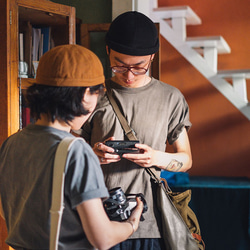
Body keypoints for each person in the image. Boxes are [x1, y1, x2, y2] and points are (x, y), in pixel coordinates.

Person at [0, 44, 143, 250]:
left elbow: (7, 211)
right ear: (86, 94)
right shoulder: (76, 151)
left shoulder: (11, 143)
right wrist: (131, 224)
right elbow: (101, 238)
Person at [80, 11, 193, 250]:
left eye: (139, 66)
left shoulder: (171, 98)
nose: (129, 75)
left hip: (151, 225)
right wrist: (93, 155)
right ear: (108, 50)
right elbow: (68, 154)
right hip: (97, 221)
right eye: (119, 65)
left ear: (152, 56)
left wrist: (156, 157)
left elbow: (185, 159)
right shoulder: (92, 94)